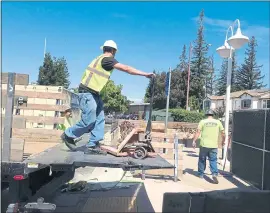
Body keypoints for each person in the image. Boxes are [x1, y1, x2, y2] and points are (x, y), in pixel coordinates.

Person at [61, 40, 155, 154]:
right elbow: (126, 68)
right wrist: (145, 74)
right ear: (113, 51)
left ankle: (93, 144)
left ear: (104, 48)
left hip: (94, 93)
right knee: (89, 121)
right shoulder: (107, 60)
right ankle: (68, 134)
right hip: (87, 93)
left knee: (100, 119)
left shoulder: (99, 59)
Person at [192, 109, 225, 184]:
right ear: (213, 115)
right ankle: (214, 174)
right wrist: (223, 141)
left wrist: (194, 141)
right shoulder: (218, 122)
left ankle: (201, 174)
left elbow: (198, 132)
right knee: (213, 160)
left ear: (206, 115)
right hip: (213, 145)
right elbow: (223, 133)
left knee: (202, 160)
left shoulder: (202, 122)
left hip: (204, 145)